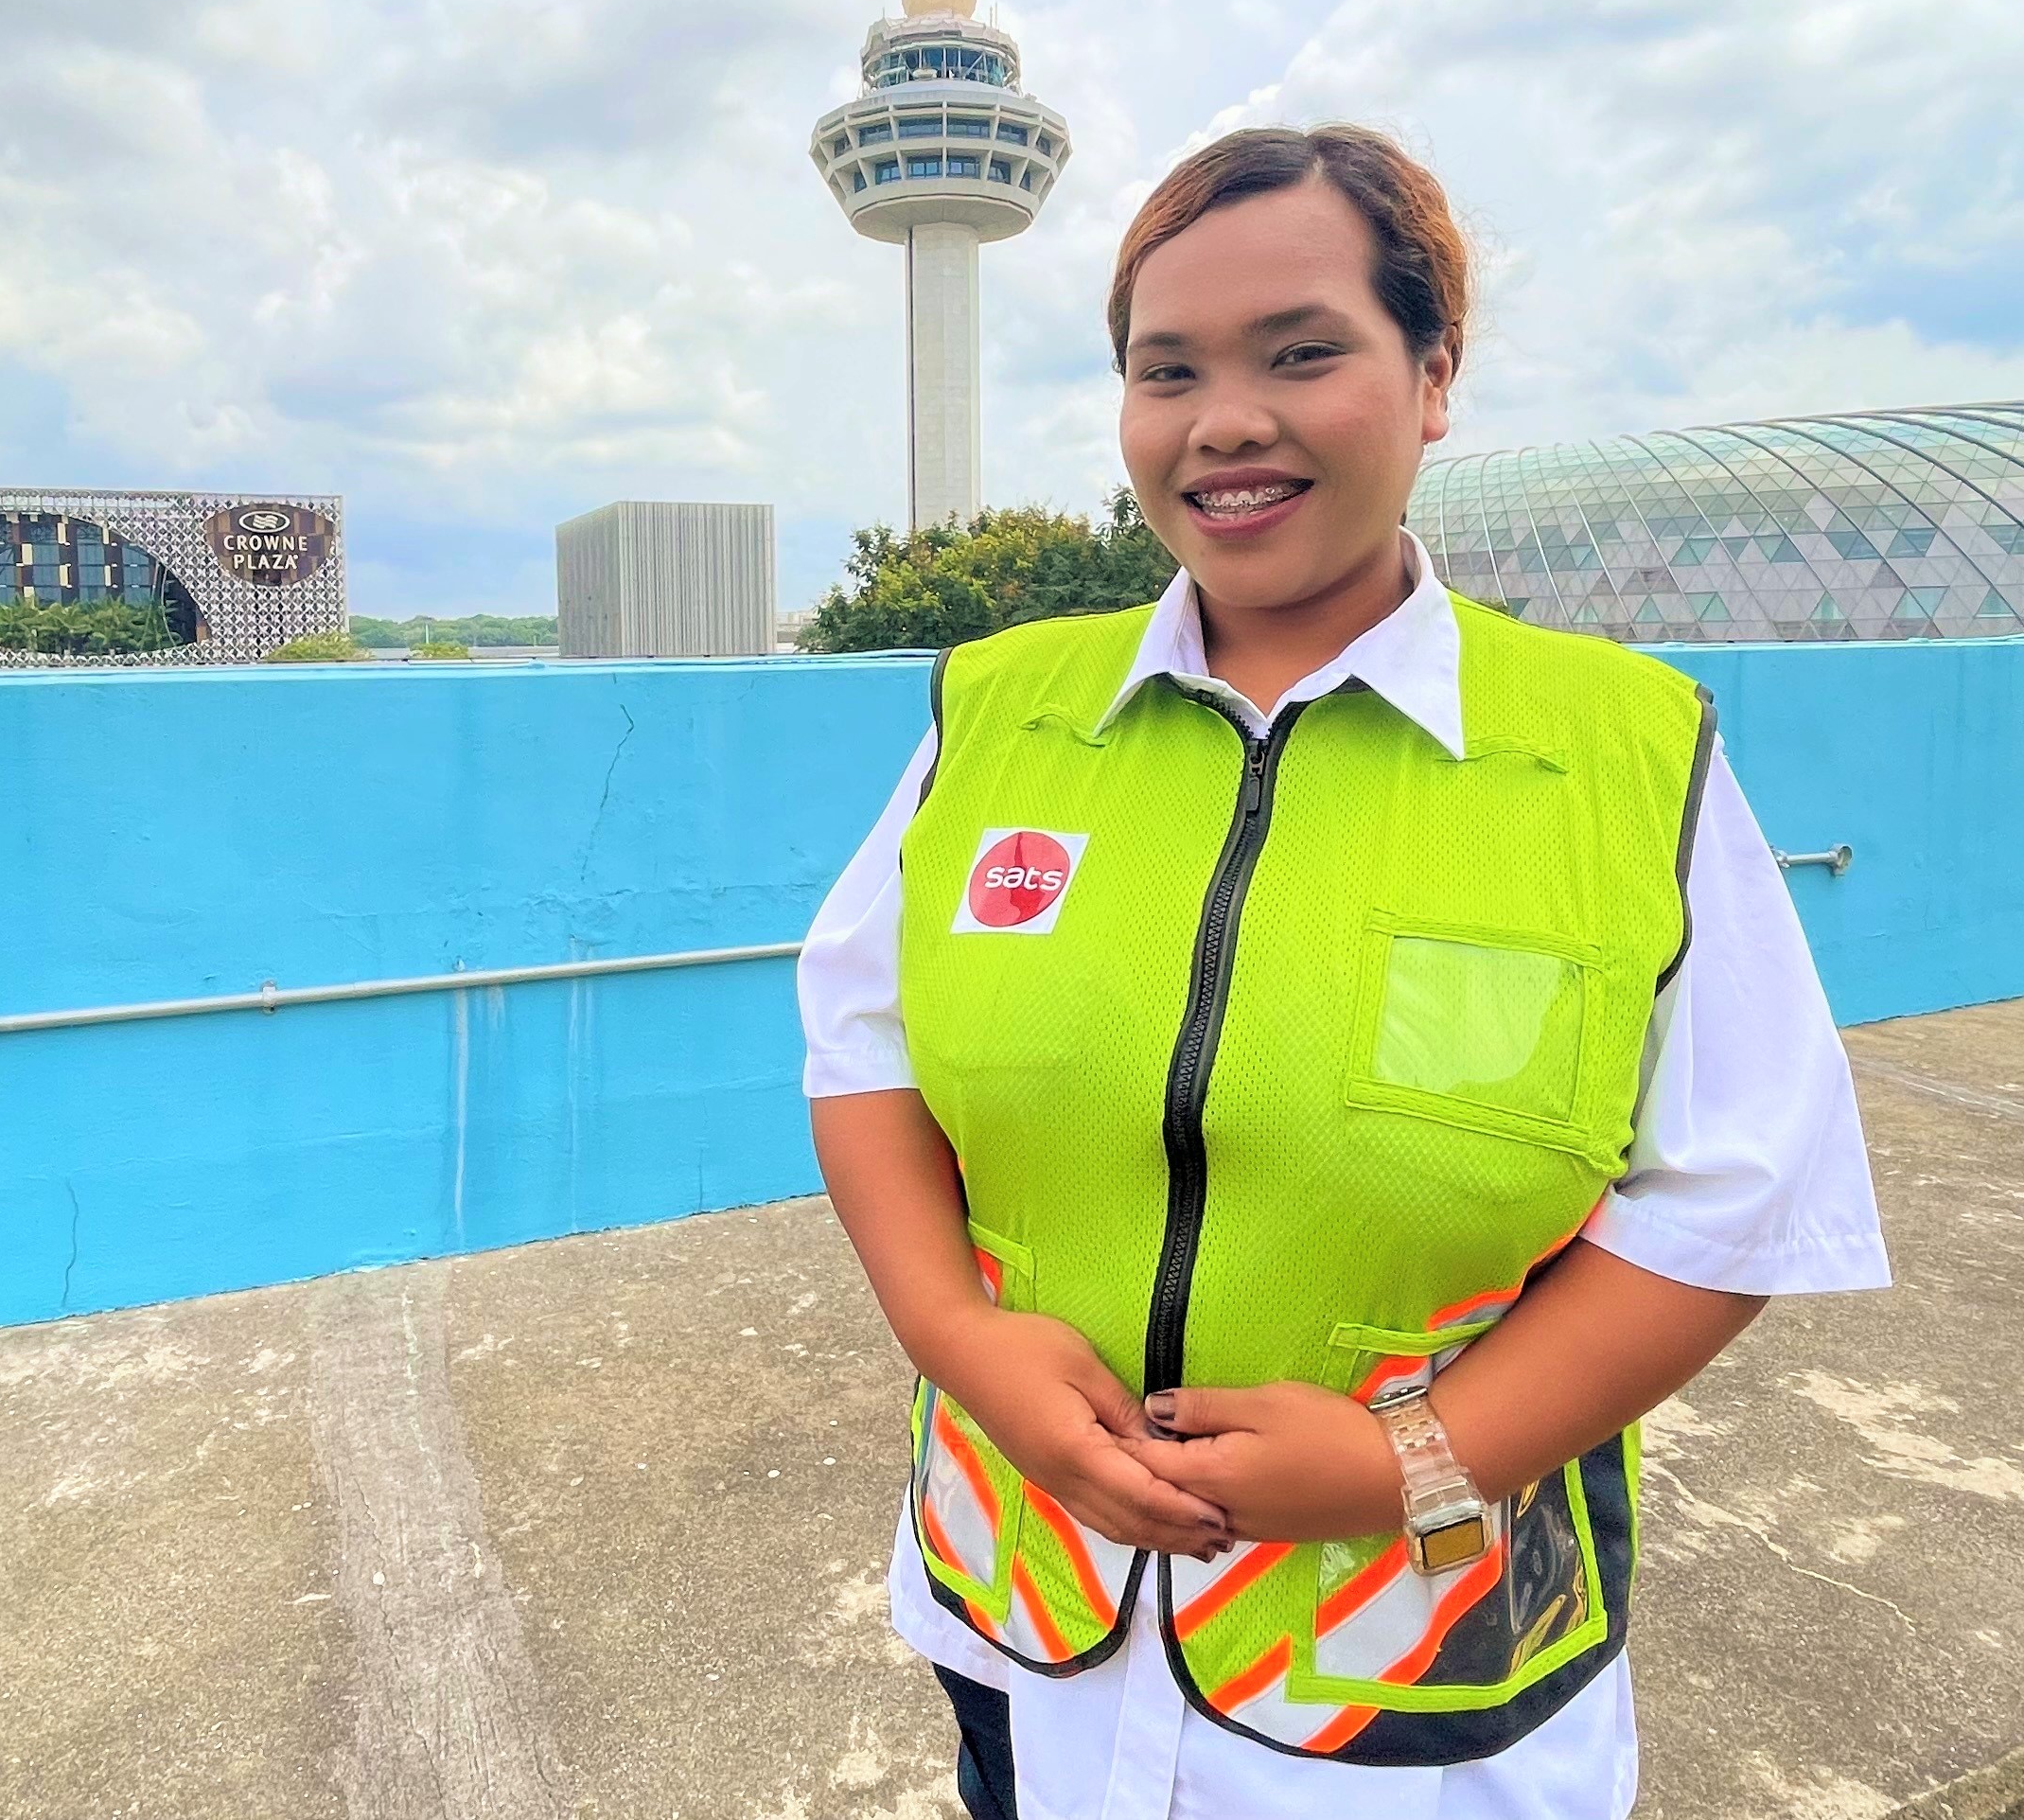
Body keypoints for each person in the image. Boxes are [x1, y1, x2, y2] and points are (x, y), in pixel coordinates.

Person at [799, 124, 1891, 1819]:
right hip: (1032, 1622)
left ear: (1434, 374)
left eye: (1302, 352)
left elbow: (1737, 1194)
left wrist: (1409, 1461)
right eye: (1168, 372)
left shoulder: (1614, 753)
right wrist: (955, 1336)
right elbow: (863, 1041)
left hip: (1416, 1702)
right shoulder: (998, 708)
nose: (1225, 419)